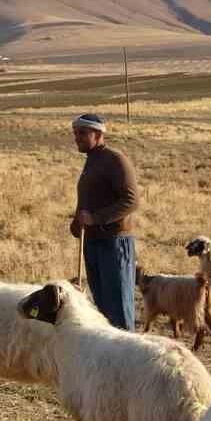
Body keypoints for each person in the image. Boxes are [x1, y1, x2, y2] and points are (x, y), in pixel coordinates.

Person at [69, 113, 140, 330]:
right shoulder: (92, 161)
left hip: (114, 242)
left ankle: (128, 358)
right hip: (93, 241)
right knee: (101, 307)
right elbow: (89, 200)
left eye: (82, 133)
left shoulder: (115, 160)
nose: (77, 138)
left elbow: (131, 200)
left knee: (118, 306)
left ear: (98, 134)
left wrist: (96, 218)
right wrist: (77, 223)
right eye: (75, 133)